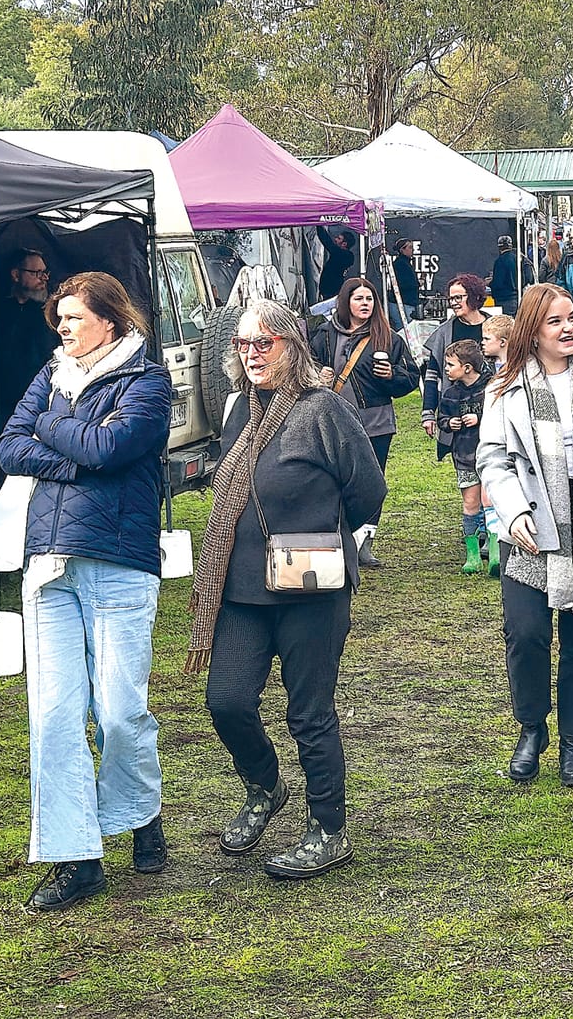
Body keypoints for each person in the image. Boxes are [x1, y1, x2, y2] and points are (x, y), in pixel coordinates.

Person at [186, 300, 386, 880]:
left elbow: (367, 488)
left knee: (309, 714)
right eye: (244, 344)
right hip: (241, 590)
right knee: (226, 702)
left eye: (264, 342)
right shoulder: (238, 413)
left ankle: (328, 829)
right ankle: (264, 785)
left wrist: (323, 535)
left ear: (291, 347)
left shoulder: (321, 409)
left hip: (310, 589)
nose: (252, 353)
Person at [0, 272, 174, 912]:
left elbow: (111, 446)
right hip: (47, 563)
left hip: (120, 560)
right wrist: (72, 454)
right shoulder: (51, 377)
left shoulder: (148, 382)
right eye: (60, 319)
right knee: (51, 716)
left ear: (110, 319)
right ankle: (77, 857)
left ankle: (139, 809)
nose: (63, 329)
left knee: (121, 710)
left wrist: (55, 430)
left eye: (74, 318)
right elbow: (9, 448)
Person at [479, 285, 573, 788]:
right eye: (555, 322)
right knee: (526, 634)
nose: (568, 329)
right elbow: (493, 459)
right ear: (532, 332)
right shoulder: (504, 388)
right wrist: (513, 510)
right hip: (529, 530)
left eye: (571, 319)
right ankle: (531, 728)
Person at [308, 276, 421, 478]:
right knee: (335, 480)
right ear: (346, 302)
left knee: (371, 482)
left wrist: (392, 375)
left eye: (369, 299)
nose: (365, 304)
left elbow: (411, 376)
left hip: (375, 424)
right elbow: (307, 367)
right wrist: (319, 374)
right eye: (359, 299)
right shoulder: (325, 334)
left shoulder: (388, 337)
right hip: (334, 421)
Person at [420, 275, 491, 476]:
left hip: (491, 410)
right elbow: (432, 376)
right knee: (465, 472)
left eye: (459, 297)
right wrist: (428, 413)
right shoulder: (444, 332)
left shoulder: (494, 327)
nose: (454, 303)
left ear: (475, 296)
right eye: (451, 299)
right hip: (457, 412)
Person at [435, 341, 495, 576]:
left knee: (490, 502)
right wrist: (450, 423)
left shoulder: (490, 388)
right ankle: (472, 555)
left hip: (489, 454)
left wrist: (479, 418)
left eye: (451, 365)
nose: (446, 369)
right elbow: (443, 418)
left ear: (467, 368)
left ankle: (494, 550)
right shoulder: (450, 394)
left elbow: (501, 413)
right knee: (470, 504)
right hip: (464, 455)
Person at [0, 250, 59, 425]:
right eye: (37, 273)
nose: (44, 278)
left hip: (42, 402)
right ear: (16, 275)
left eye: (45, 272)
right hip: (2, 404)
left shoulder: (52, 313)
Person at [316, 227, 358, 304]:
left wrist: (318, 225)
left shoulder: (341, 254)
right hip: (334, 288)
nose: (335, 239)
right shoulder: (347, 256)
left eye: (339, 238)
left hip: (331, 288)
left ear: (344, 244)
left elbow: (327, 242)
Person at [388, 239, 423, 328]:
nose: (412, 250)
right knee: (404, 329)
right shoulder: (400, 264)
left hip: (405, 302)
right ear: (402, 250)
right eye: (410, 247)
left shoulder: (404, 263)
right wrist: (418, 283)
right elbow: (402, 284)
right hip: (402, 303)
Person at [490, 235, 521, 315]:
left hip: (503, 299)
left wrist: (489, 283)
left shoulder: (500, 261)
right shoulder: (518, 259)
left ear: (499, 247)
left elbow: (498, 283)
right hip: (517, 298)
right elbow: (528, 277)